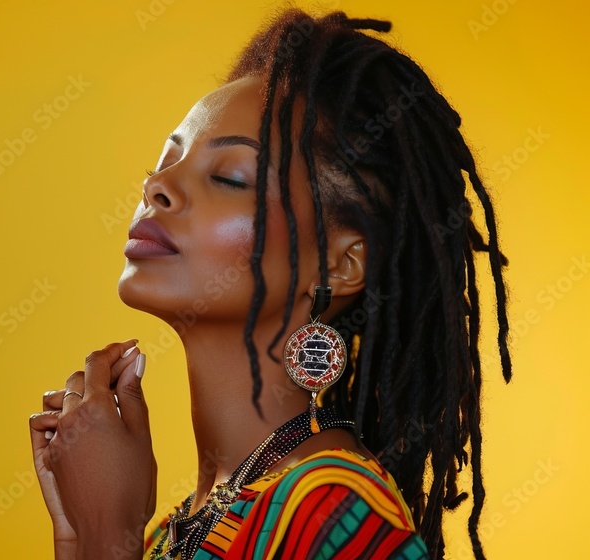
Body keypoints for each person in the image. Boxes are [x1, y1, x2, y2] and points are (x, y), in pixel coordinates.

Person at [28, 8, 511, 560]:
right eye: (162, 165)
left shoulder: (334, 515)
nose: (157, 187)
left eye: (229, 177)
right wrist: (81, 536)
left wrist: (106, 536)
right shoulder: (174, 533)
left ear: (340, 264)